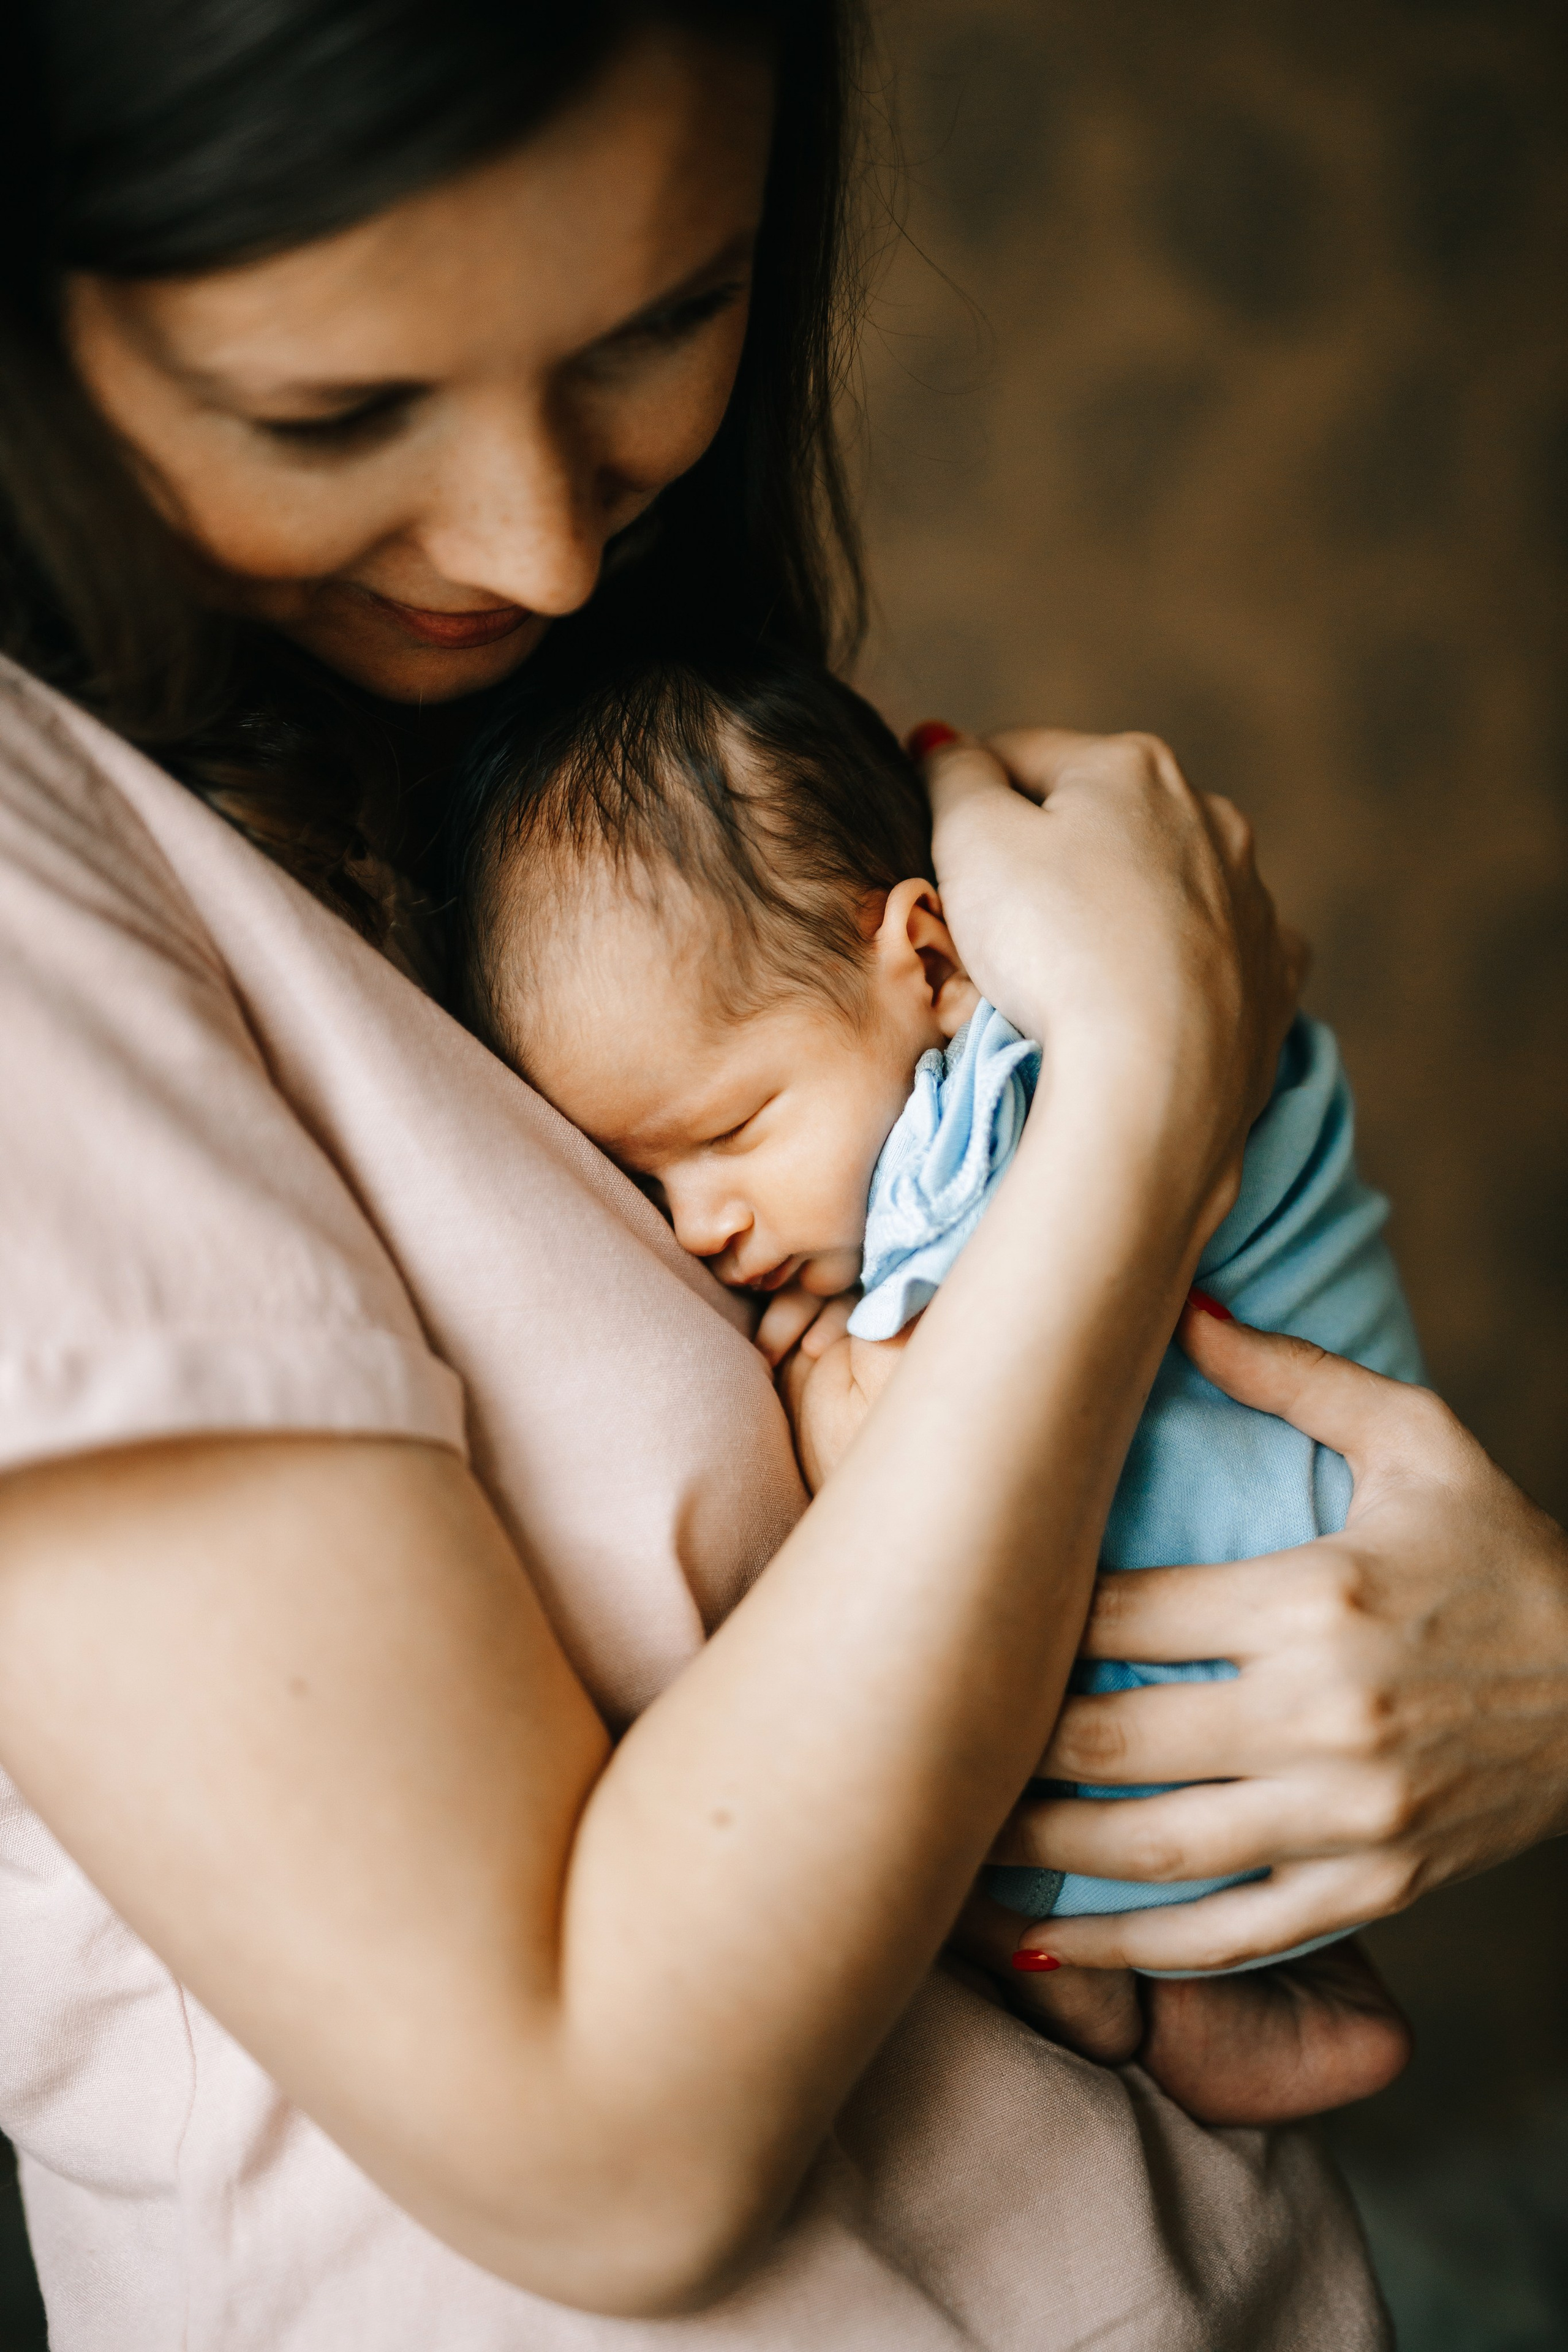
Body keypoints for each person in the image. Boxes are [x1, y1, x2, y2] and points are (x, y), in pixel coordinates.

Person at [0, 4, 1561, 2348]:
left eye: (660, 323)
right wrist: (1140, 1087)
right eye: (333, 415)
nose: (537, 543)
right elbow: (604, 2148)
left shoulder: (508, 776)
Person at [448, 643, 1419, 2124]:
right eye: (641, 1178)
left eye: (730, 1127)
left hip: (1311, 1570)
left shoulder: (999, 1091)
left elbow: (980, 1403)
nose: (696, 1222)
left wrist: (860, 1420)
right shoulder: (856, 1157)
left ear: (925, 963)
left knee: (934, 1794)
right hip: (1308, 1736)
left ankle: (1174, 1982)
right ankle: (1240, 1996)